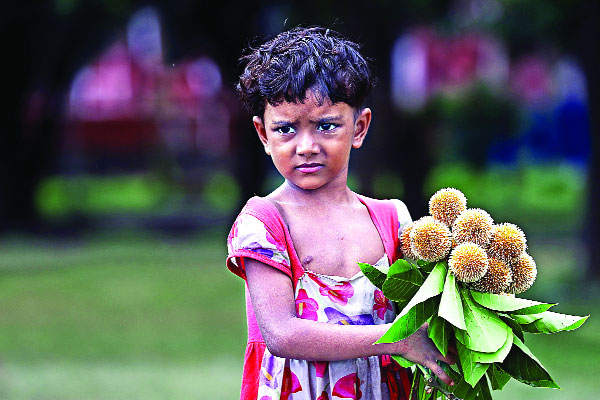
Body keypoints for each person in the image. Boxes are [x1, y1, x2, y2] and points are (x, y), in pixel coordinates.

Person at [226, 26, 455, 400]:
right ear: (263, 135)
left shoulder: (392, 220)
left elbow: (425, 311)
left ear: (359, 127)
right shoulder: (263, 224)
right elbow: (282, 334)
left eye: (327, 126)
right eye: (285, 129)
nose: (306, 146)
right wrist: (395, 340)